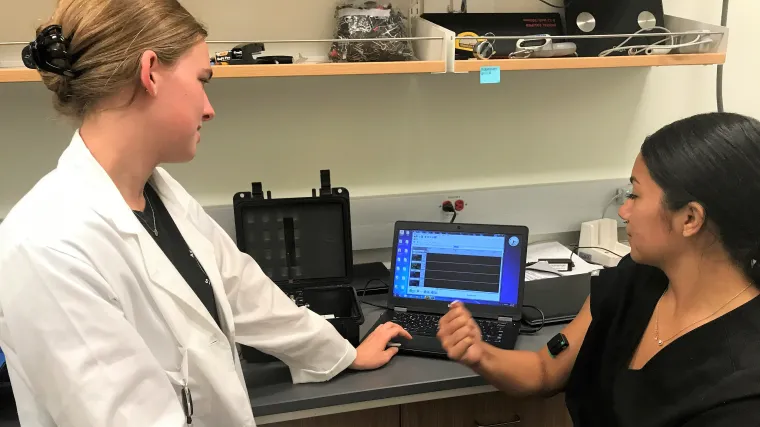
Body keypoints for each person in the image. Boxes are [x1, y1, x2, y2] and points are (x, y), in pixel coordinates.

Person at [0, 1, 411, 426]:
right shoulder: (46, 248)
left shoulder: (157, 194)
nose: (209, 108)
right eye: (202, 80)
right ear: (151, 72)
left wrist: (341, 353)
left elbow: (243, 291)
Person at [438, 112, 760, 427]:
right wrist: (479, 353)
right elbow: (544, 369)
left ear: (690, 219)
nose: (623, 210)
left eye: (635, 194)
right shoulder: (636, 279)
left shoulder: (741, 389)